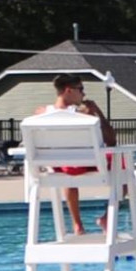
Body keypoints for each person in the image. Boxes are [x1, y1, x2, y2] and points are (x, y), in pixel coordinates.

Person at [46, 74, 113, 237]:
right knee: (124, 165)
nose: (84, 94)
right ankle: (107, 217)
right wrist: (98, 113)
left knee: (67, 168)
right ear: (68, 90)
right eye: (81, 89)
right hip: (85, 162)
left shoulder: (42, 114)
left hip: (60, 167)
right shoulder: (83, 115)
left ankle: (77, 225)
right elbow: (111, 140)